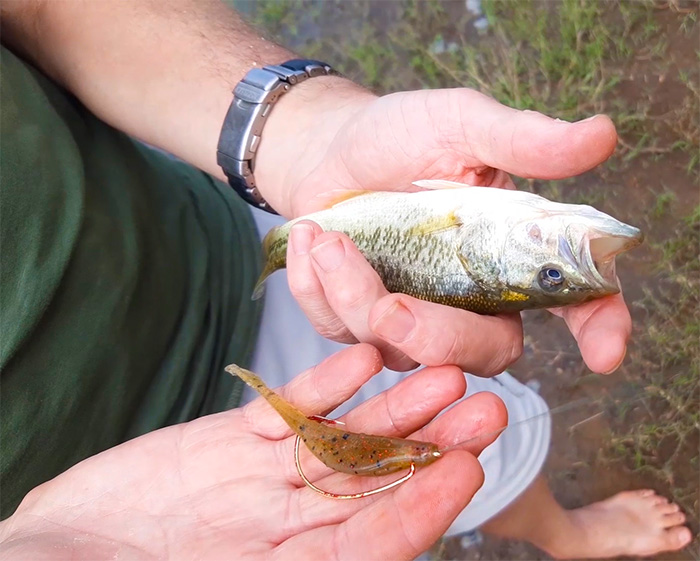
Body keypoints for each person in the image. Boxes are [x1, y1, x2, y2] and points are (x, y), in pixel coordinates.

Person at [0, 1, 691, 559]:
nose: (568, 261)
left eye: (548, 272)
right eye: (549, 269)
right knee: (446, 460)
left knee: (481, 440)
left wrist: (301, 136)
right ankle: (564, 539)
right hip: (158, 494)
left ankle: (559, 532)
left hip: (212, 234)